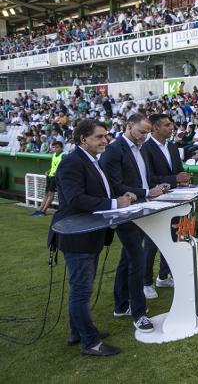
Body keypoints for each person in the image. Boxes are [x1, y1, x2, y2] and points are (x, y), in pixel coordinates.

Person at [48, 119, 134, 356]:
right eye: (99, 136)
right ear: (83, 139)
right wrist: (115, 203)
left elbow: (101, 191)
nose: (105, 140)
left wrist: (121, 196)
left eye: (106, 136)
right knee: (81, 291)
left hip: (90, 234)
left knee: (80, 288)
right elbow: (76, 199)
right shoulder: (71, 163)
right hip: (77, 236)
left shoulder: (92, 161)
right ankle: (90, 342)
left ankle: (77, 332)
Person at [99, 113, 169, 334]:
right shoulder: (113, 150)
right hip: (126, 212)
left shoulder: (141, 147)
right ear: (129, 126)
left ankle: (121, 306)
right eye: (142, 132)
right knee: (136, 260)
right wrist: (148, 192)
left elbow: (145, 179)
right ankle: (139, 313)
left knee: (127, 259)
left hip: (141, 209)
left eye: (147, 132)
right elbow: (116, 186)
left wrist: (159, 187)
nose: (145, 136)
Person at [141, 114, 192, 299]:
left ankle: (163, 276)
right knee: (152, 244)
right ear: (155, 128)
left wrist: (183, 178)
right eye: (167, 125)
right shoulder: (145, 148)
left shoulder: (171, 146)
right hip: (155, 202)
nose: (172, 128)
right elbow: (148, 179)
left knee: (172, 239)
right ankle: (146, 282)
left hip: (175, 200)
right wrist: (175, 179)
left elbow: (177, 170)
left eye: (171, 124)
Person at [32, 141, 65, 216]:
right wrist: (48, 171)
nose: (55, 149)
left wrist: (57, 173)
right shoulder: (53, 155)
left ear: (61, 148)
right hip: (50, 176)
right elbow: (53, 166)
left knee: (50, 194)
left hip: (55, 177)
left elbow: (64, 167)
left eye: (57, 147)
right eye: (53, 147)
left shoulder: (63, 155)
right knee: (46, 193)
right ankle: (39, 210)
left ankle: (43, 211)